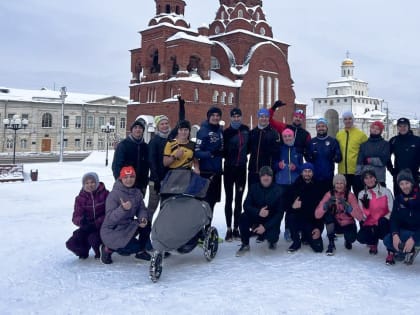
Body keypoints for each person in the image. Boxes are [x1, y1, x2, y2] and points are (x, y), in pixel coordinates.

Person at [100, 166, 151, 264]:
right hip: (113, 230)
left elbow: (141, 208)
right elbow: (110, 218)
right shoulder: (114, 194)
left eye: (131, 177)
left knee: (147, 225)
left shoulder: (137, 192)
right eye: (125, 177)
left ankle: (140, 251)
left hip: (128, 226)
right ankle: (107, 248)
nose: (129, 180)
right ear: (121, 178)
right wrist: (122, 209)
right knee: (129, 249)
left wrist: (143, 218)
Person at [236, 166, 284, 256]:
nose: (266, 178)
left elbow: (279, 214)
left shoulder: (278, 190)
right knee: (243, 217)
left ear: (272, 177)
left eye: (268, 175)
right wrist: (258, 212)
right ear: (260, 177)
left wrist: (265, 227)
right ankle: (245, 244)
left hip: (270, 220)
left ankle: (271, 240)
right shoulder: (254, 188)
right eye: (263, 175)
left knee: (272, 236)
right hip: (257, 217)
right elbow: (246, 205)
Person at [315, 174, 364, 255]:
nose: (339, 186)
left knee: (351, 238)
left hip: (347, 223)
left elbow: (360, 217)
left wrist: (348, 207)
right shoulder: (329, 194)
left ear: (345, 184)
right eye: (337, 183)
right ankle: (331, 242)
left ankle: (347, 240)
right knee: (327, 216)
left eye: (341, 183)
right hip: (335, 223)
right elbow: (317, 215)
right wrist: (326, 205)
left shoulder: (350, 195)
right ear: (334, 184)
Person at [66, 172, 109, 259]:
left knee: (93, 238)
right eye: (87, 183)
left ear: (97, 182)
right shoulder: (79, 198)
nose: (90, 185)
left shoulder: (106, 194)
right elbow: (75, 217)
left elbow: (110, 213)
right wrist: (82, 221)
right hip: (87, 226)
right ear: (83, 184)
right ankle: (83, 251)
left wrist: (97, 222)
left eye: (92, 182)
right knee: (71, 243)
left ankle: (101, 252)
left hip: (102, 226)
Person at [223, 108, 249, 241]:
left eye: (238, 116)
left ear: (241, 117)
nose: (236, 118)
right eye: (234, 116)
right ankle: (228, 229)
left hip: (241, 170)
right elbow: (221, 150)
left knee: (238, 200)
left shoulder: (246, 130)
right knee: (229, 199)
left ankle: (236, 228)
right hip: (228, 169)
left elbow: (249, 147)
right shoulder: (226, 132)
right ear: (231, 118)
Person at [383, 169, 420, 265]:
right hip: (406, 232)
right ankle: (407, 251)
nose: (404, 186)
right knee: (388, 240)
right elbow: (394, 219)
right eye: (401, 184)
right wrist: (395, 235)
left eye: (407, 183)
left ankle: (413, 247)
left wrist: (414, 239)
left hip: (417, 232)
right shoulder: (399, 199)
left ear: (412, 183)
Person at [286, 163, 324, 253]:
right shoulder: (294, 186)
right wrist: (292, 206)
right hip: (299, 219)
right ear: (301, 173)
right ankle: (296, 241)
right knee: (290, 216)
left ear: (313, 173)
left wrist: (319, 228)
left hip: (311, 221)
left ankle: (306, 236)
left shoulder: (318, 187)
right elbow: (284, 204)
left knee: (318, 248)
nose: (307, 173)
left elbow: (322, 210)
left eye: (309, 171)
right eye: (305, 171)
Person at [273, 128, 304, 242]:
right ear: (283, 138)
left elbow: (302, 168)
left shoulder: (297, 150)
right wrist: (278, 165)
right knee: (280, 208)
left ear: (293, 137)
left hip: (294, 184)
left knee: (292, 209)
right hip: (281, 183)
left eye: (289, 136)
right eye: (285, 137)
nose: (287, 138)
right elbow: (274, 164)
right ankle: (275, 231)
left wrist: (296, 168)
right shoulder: (280, 149)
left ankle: (289, 229)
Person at [356, 168, 393, 255]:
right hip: (371, 223)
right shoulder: (362, 194)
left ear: (375, 178)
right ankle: (373, 242)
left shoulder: (386, 191)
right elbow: (361, 212)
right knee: (361, 237)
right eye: (366, 178)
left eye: (371, 177)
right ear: (363, 180)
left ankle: (390, 251)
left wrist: (383, 220)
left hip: (384, 222)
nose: (369, 180)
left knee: (383, 225)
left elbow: (392, 210)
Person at [195, 106, 224, 212]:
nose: (215, 118)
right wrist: (210, 154)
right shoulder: (203, 131)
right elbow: (197, 152)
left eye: (218, 116)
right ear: (208, 117)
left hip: (217, 171)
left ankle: (208, 226)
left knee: (212, 202)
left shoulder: (220, 130)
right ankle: (199, 227)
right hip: (206, 172)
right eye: (213, 115)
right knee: (203, 202)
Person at [112, 119, 149, 195]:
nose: (138, 129)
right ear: (131, 130)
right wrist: (121, 182)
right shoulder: (123, 145)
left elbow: (146, 167)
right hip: (126, 184)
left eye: (140, 128)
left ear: (143, 130)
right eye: (135, 127)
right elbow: (116, 166)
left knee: (138, 206)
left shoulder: (145, 146)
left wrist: (144, 183)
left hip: (140, 185)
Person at [306, 118, 342, 196]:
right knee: (316, 201)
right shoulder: (312, 142)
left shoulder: (333, 141)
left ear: (327, 128)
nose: (321, 128)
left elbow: (339, 158)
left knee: (328, 201)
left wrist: (334, 156)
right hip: (314, 178)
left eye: (323, 126)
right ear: (316, 128)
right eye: (319, 126)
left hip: (328, 178)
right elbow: (307, 158)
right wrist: (310, 156)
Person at [336, 111, 368, 197]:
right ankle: (345, 211)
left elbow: (366, 151)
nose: (348, 121)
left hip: (356, 172)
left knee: (359, 195)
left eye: (350, 118)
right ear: (343, 121)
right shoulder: (339, 134)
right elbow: (336, 150)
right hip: (342, 171)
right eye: (345, 119)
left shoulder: (361, 135)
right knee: (344, 196)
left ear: (353, 120)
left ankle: (361, 210)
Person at [387, 117, 420, 196]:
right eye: (400, 126)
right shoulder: (394, 140)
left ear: (408, 127)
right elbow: (387, 156)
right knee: (399, 199)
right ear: (397, 127)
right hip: (398, 176)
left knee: (415, 200)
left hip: (413, 175)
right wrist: (392, 170)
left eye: (404, 126)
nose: (402, 128)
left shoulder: (417, 140)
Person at [248, 108, 281, 186]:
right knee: (253, 194)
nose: (264, 119)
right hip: (254, 171)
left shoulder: (274, 133)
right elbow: (248, 149)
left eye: (266, 116)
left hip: (267, 172)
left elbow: (277, 153)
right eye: (262, 116)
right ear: (258, 117)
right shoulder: (253, 132)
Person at [148, 115, 170, 214]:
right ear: (157, 126)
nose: (165, 126)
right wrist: (156, 179)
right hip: (156, 181)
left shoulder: (171, 139)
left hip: (168, 180)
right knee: (152, 207)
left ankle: (161, 229)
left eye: (166, 123)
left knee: (165, 208)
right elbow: (152, 162)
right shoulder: (154, 141)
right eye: (162, 124)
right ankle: (147, 228)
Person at [356, 121, 390, 187]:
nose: (375, 130)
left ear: (381, 131)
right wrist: (357, 175)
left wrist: (369, 160)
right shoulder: (364, 144)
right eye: (373, 128)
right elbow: (359, 161)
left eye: (377, 129)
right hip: (366, 179)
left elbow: (383, 161)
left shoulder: (385, 144)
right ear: (370, 129)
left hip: (379, 178)